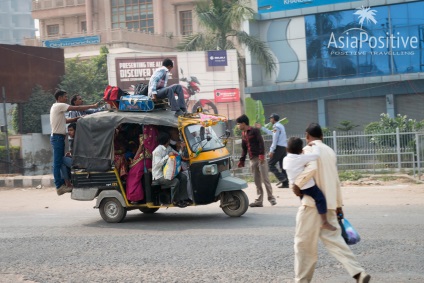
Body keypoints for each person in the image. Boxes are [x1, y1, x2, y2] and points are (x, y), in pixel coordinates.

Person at [291, 123, 370, 283]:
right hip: (330, 206)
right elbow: (335, 180)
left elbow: (309, 170)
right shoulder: (330, 152)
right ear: (322, 136)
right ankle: (358, 273)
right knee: (336, 242)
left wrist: (297, 184)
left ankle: (302, 280)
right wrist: (339, 205)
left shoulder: (307, 151)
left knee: (303, 245)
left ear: (307, 136)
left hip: (311, 206)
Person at [50, 89, 98, 196]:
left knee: (60, 162)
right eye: (65, 97)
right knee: (57, 163)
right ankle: (59, 186)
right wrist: (93, 106)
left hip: (58, 138)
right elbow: (76, 108)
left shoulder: (57, 108)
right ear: (59, 98)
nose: (67, 98)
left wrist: (78, 118)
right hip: (57, 138)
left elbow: (66, 121)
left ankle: (65, 184)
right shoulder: (59, 106)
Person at [283, 137, 336, 231]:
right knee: (320, 199)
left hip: (295, 186)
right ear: (300, 150)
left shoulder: (285, 159)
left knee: (304, 204)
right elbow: (316, 155)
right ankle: (324, 222)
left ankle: (305, 222)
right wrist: (314, 146)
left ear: (287, 149)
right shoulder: (301, 158)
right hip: (308, 185)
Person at [236, 114, 276, 207]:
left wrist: (261, 155)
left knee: (265, 178)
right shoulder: (243, 134)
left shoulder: (255, 131)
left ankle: (271, 198)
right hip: (252, 159)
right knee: (257, 181)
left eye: (238, 124)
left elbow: (261, 142)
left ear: (243, 123)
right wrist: (241, 160)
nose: (238, 126)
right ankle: (259, 200)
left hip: (260, 158)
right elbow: (244, 149)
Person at [152, 131, 189, 207]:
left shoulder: (168, 148)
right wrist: (167, 156)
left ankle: (183, 198)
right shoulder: (157, 151)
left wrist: (181, 148)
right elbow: (157, 164)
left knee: (183, 177)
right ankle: (175, 201)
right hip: (160, 176)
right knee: (176, 182)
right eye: (169, 139)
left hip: (169, 173)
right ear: (167, 140)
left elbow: (177, 154)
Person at [126, 125, 158, 203]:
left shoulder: (145, 135)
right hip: (152, 159)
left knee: (133, 173)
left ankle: (134, 197)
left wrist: (134, 158)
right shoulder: (156, 133)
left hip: (144, 159)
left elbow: (141, 147)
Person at [256, 113, 288, 188]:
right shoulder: (280, 126)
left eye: (270, 118)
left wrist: (271, 150)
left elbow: (275, 139)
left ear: (273, 119)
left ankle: (282, 178)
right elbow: (271, 133)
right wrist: (262, 127)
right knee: (282, 165)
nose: (270, 120)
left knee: (270, 164)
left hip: (278, 147)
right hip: (283, 147)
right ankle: (286, 183)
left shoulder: (276, 126)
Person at [61, 123, 76, 188]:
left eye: (71, 130)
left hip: (79, 162)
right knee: (63, 163)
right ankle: (67, 182)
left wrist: (71, 156)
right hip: (77, 160)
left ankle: (67, 183)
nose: (69, 132)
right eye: (68, 130)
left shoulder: (78, 140)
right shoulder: (74, 140)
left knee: (61, 160)